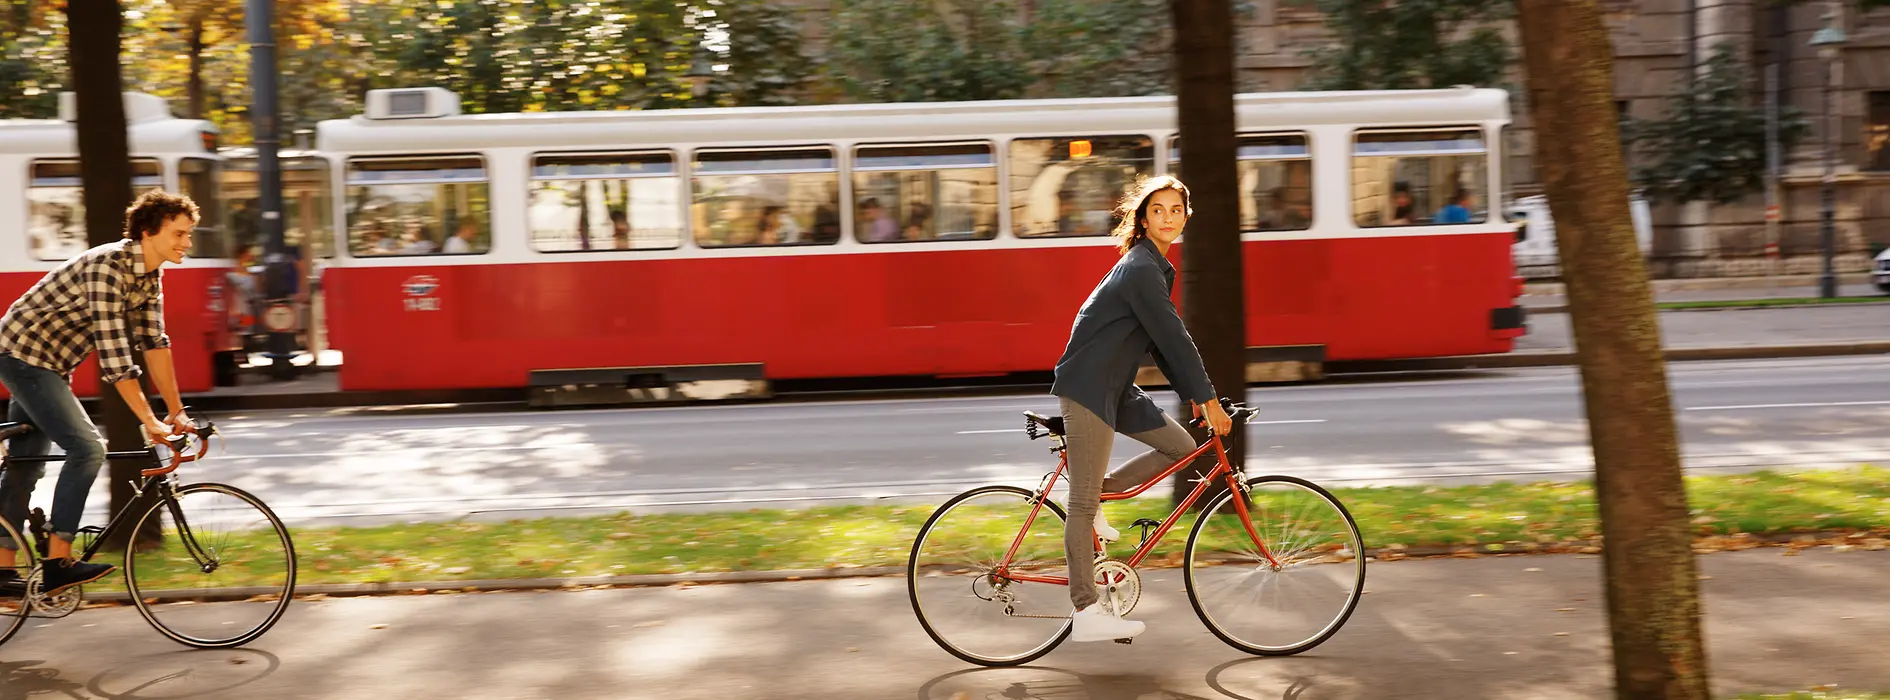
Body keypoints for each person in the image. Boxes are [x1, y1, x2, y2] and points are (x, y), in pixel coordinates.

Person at [1048, 175, 1232, 643]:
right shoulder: (1141, 269)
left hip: (1115, 387)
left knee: (1180, 445)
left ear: (1186, 217)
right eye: (1158, 210)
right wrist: (1208, 398)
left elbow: (1162, 346)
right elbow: (1175, 338)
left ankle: (1097, 499)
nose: (1168, 218)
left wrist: (1191, 392)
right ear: (1144, 218)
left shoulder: (1152, 267)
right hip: (1091, 387)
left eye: (1176, 210)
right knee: (1082, 504)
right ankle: (1086, 611)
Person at [0, 190, 197, 598]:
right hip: (22, 356)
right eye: (179, 233)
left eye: (188, 235)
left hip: (50, 363)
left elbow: (154, 344)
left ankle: (1, 571)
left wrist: (176, 412)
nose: (186, 243)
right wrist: (149, 420)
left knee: (26, 465)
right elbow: (115, 360)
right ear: (148, 232)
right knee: (89, 449)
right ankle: (58, 563)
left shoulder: (148, 276)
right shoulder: (108, 268)